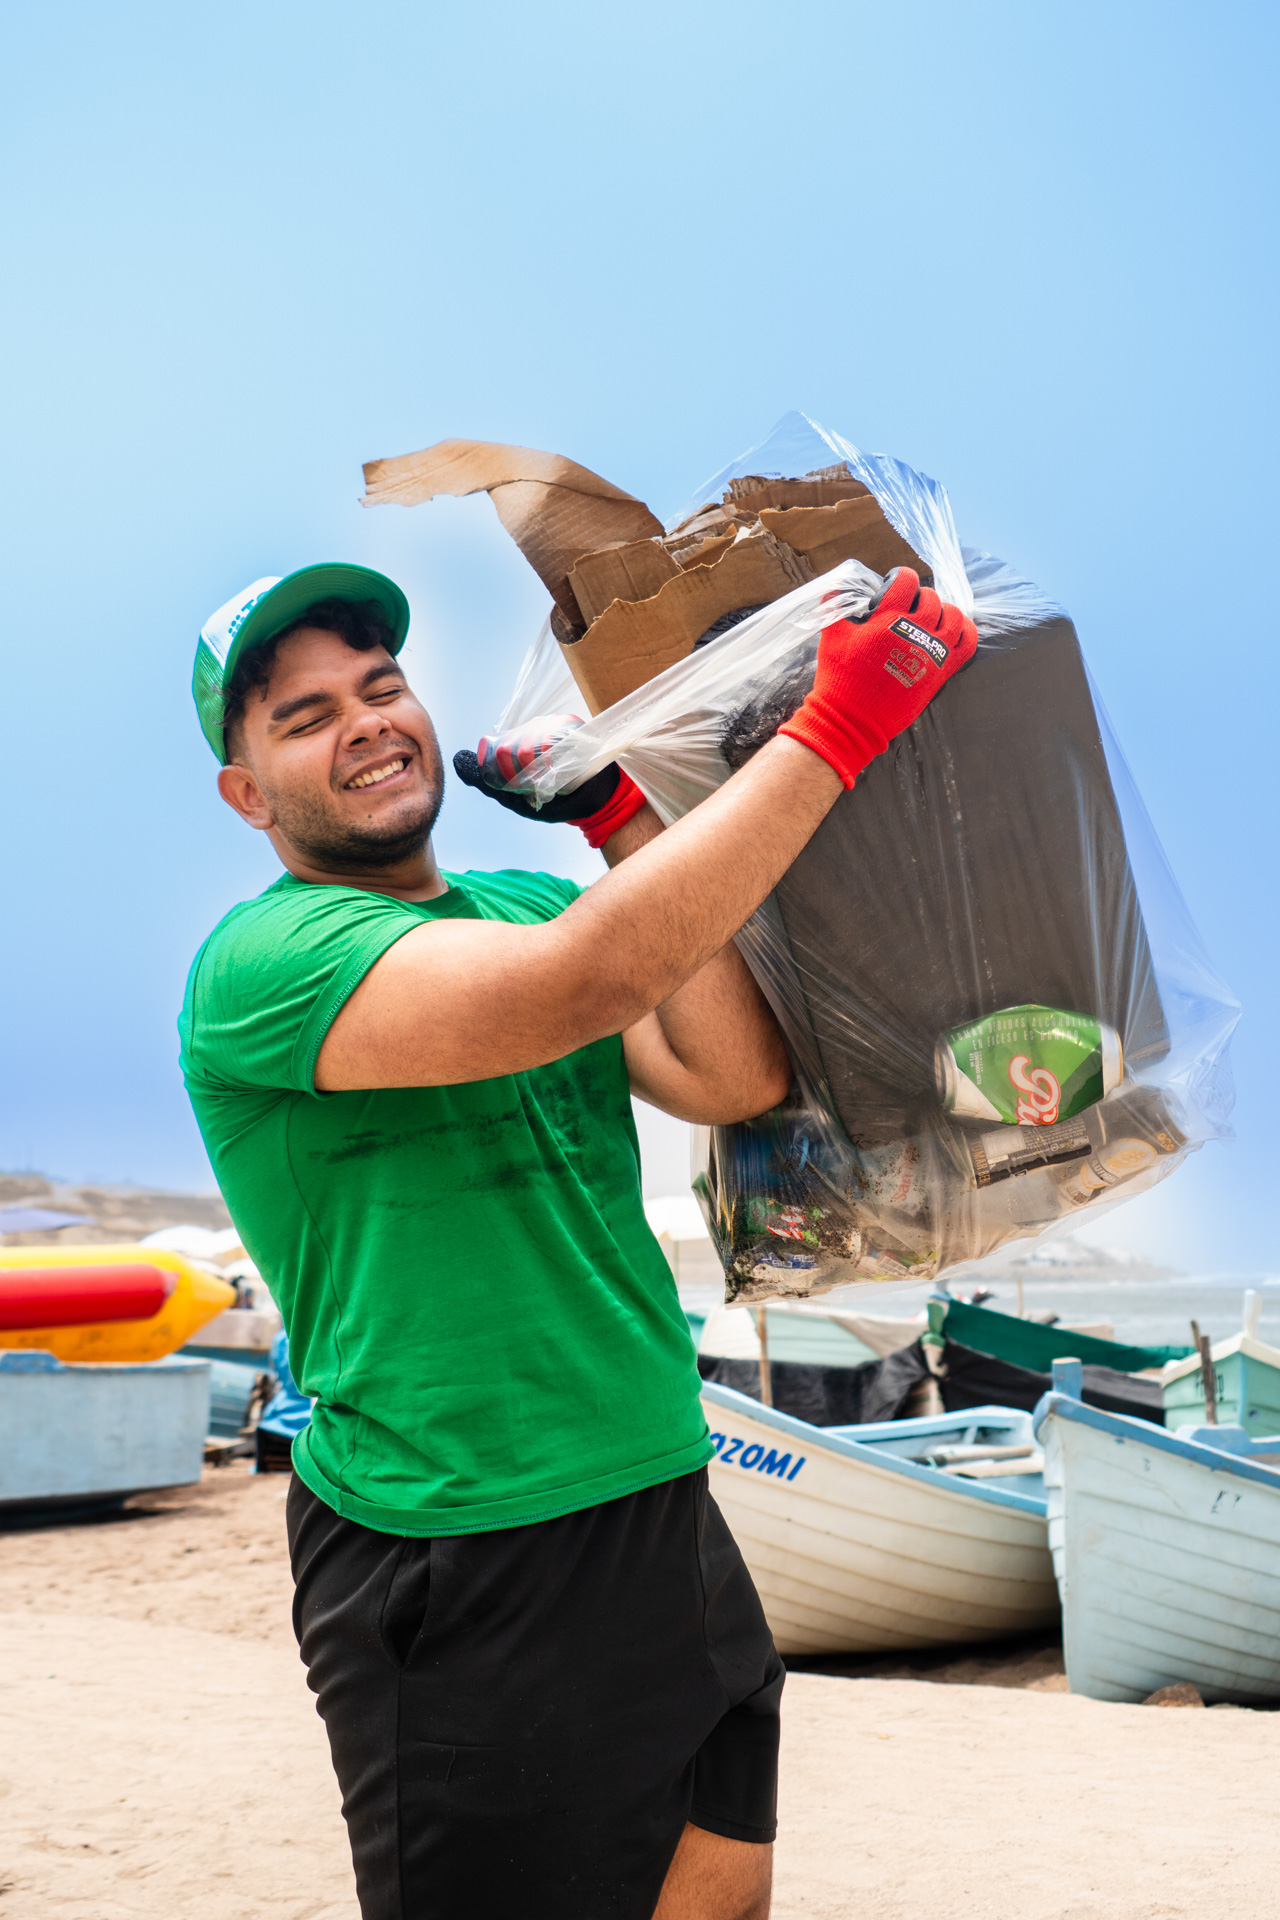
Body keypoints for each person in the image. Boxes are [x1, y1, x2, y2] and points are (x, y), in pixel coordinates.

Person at [179, 559, 976, 1920]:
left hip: (663, 1505)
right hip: (460, 1550)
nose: (367, 720)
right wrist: (832, 734)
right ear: (246, 793)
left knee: (716, 1896)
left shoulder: (532, 906)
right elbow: (586, 984)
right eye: (306, 717)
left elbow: (729, 1076)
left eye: (381, 687)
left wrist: (619, 817)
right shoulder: (268, 963)